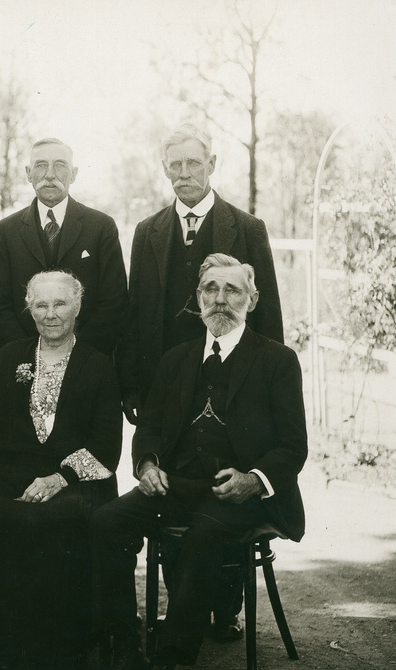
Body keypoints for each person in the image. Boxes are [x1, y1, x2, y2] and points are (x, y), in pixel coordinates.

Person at [86, 254, 307, 670]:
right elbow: (147, 431)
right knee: (105, 522)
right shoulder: (176, 359)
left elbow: (293, 447)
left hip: (240, 493)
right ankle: (128, 655)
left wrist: (253, 479)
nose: (220, 299)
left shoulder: (277, 360)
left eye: (231, 290)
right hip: (179, 484)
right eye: (210, 289)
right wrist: (145, 465)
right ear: (198, 299)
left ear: (253, 299)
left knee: (202, 538)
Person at [117, 123, 286, 641]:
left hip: (234, 388)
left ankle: (223, 608)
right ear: (165, 168)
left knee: (223, 491)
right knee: (170, 488)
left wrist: (266, 388)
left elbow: (270, 314)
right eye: (175, 165)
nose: (184, 173)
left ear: (212, 164)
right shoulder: (148, 232)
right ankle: (179, 605)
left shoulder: (246, 226)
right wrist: (133, 388)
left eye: (194, 163)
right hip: (169, 390)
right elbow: (136, 314)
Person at [0, 271, 122, 670]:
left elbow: (107, 444)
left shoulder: (99, 363)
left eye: (60, 304)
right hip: (11, 471)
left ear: (77, 307)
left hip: (76, 479)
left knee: (45, 523)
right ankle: (2, 646)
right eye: (41, 305)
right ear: (28, 309)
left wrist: (59, 478)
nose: (51, 315)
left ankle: (46, 651)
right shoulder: (10, 356)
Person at [0, 138, 127, 357]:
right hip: (23, 361)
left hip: (87, 358)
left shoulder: (101, 227)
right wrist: (29, 355)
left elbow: (114, 302)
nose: (50, 174)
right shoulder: (6, 231)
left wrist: (77, 354)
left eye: (60, 165)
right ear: (28, 173)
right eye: (41, 165)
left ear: (73, 174)